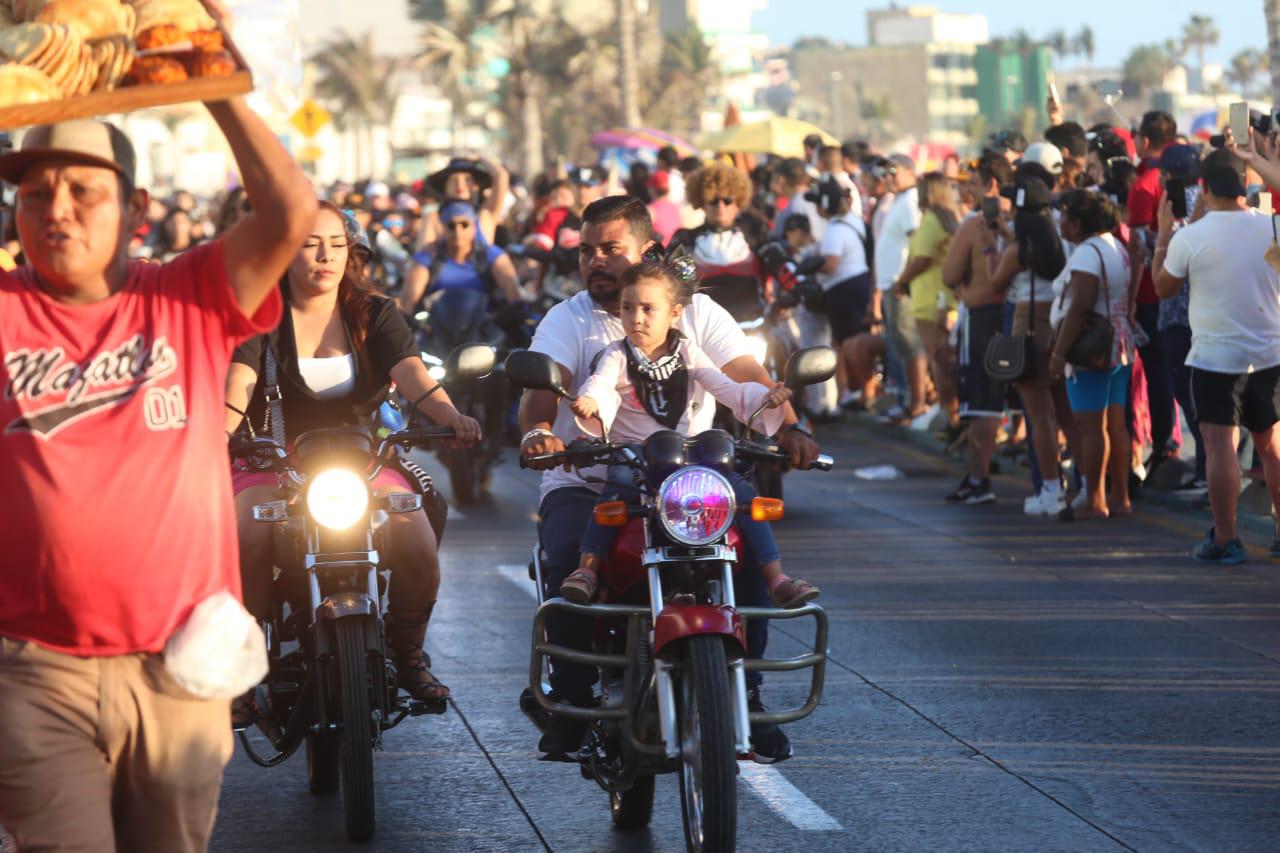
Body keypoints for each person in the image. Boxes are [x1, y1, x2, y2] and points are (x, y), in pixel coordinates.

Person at [0, 99, 316, 850]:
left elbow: (289, 209)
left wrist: (218, 84)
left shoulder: (189, 295)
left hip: (179, 669)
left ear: (137, 208)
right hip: (35, 674)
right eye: (35, 194)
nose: (57, 211)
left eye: (84, 191)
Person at [518, 195, 821, 761]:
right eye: (586, 251)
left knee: (745, 547)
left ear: (647, 251)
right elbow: (544, 390)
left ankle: (747, 694)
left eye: (611, 249)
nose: (596, 262)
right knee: (564, 556)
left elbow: (743, 380)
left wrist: (791, 428)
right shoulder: (570, 318)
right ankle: (574, 700)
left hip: (688, 487)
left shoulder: (695, 315)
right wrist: (542, 432)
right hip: (591, 480)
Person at [226, 201, 482, 704]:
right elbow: (238, 383)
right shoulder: (258, 316)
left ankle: (407, 658)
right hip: (270, 459)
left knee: (417, 540)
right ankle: (247, 668)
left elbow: (413, 375)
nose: (324, 256)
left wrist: (452, 419)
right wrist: (213, 434)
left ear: (352, 253)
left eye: (336, 245)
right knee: (249, 533)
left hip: (362, 462)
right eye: (309, 244)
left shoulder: (376, 312)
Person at [561, 261, 819, 608]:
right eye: (627, 308)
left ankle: (776, 578)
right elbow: (601, 385)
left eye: (648, 309)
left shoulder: (688, 352)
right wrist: (590, 402)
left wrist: (765, 398)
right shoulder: (616, 354)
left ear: (675, 313)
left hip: (687, 457)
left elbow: (726, 387)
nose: (636, 318)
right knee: (617, 488)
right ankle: (587, 570)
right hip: (636, 456)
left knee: (739, 492)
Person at [1154, 143, 1280, 563]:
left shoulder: (1190, 238)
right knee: (1272, 444)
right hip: (1269, 352)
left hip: (1214, 356)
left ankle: (1226, 538)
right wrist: (1263, 163)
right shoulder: (1271, 228)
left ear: (1203, 187)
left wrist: (1162, 237)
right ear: (1246, 185)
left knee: (1220, 443)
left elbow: (1163, 287)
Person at [991, 175, 1075, 516]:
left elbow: (996, 282)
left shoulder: (1017, 250)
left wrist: (990, 246)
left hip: (1028, 329)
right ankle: (1085, 487)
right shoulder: (1065, 244)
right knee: (1069, 417)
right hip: (1060, 327)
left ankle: (1051, 490)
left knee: (1040, 419)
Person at [1049, 190, 1135, 521]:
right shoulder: (1115, 246)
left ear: (1078, 222)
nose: (1061, 221)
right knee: (1115, 425)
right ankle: (1120, 497)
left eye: (1066, 215)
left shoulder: (1087, 253)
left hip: (1091, 351)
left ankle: (1095, 498)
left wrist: (1059, 353)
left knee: (1090, 427)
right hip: (1120, 345)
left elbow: (1080, 306)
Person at [941, 152, 1015, 504]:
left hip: (983, 317)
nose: (968, 192)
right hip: (1020, 315)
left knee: (981, 403)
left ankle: (978, 478)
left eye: (973, 184)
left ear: (992, 184)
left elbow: (949, 274)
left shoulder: (975, 223)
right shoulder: (1022, 216)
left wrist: (963, 290)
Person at [1128, 111, 1181, 475]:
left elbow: (1135, 250)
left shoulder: (1143, 185)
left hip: (1151, 293)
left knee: (1161, 373)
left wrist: (1129, 299)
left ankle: (1166, 443)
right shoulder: (1189, 181)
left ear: (1145, 141)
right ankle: (1170, 442)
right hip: (1184, 292)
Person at [895, 172, 960, 430]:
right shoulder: (946, 219)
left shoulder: (934, 220)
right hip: (936, 298)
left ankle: (948, 412)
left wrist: (901, 281)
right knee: (941, 359)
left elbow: (922, 258)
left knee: (940, 360)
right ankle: (947, 411)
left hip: (932, 300)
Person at [672, 162, 768, 322]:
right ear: (701, 202)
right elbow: (678, 281)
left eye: (728, 200)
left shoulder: (755, 234)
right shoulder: (686, 239)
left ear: (739, 202)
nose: (720, 207)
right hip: (705, 325)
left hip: (752, 321)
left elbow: (780, 265)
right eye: (713, 201)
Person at [398, 200, 525, 317]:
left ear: (474, 227)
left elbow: (513, 294)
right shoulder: (428, 257)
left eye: (464, 224)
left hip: (483, 333)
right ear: (443, 228)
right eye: (451, 225)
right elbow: (409, 299)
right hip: (436, 333)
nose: (458, 231)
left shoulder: (491, 254)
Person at [812, 177, 872, 411]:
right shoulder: (852, 221)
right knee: (856, 340)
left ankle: (854, 393)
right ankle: (862, 393)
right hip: (857, 284)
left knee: (848, 343)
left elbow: (831, 264)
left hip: (844, 289)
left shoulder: (835, 229)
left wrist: (811, 264)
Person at [875, 154, 926, 422]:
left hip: (899, 285)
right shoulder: (900, 199)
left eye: (893, 171)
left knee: (910, 344)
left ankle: (916, 403)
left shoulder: (910, 201)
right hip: (892, 283)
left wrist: (904, 279)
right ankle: (908, 400)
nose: (889, 177)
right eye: (886, 172)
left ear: (909, 171)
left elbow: (917, 245)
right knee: (900, 344)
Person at [420, 155, 510, 246]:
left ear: (476, 186)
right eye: (453, 180)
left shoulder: (485, 214)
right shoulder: (433, 218)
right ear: (445, 186)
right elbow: (422, 254)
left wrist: (480, 158)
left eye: (467, 179)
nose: (460, 184)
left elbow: (501, 176)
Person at [647, 169, 681, 246]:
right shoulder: (677, 207)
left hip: (659, 255)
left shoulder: (650, 210)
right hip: (675, 253)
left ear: (652, 188)